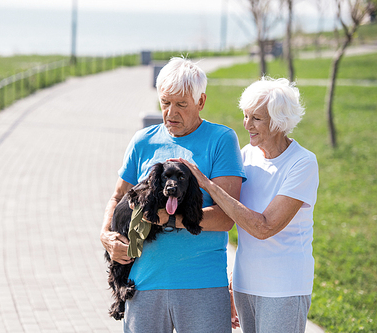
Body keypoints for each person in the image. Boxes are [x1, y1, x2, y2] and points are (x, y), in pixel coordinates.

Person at [100, 56, 246, 332]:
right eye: (165, 103)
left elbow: (226, 218)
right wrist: (105, 235)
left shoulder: (221, 140)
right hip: (143, 283)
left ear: (201, 102)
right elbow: (117, 196)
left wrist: (163, 220)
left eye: (181, 104)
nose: (171, 113)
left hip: (201, 285)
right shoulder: (143, 141)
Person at [175, 76, 319, 333]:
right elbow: (239, 224)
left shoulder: (302, 163)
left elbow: (264, 227)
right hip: (245, 285)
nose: (247, 125)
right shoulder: (245, 156)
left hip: (284, 288)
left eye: (257, 118)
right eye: (245, 116)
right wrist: (232, 284)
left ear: (278, 121)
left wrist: (209, 185)